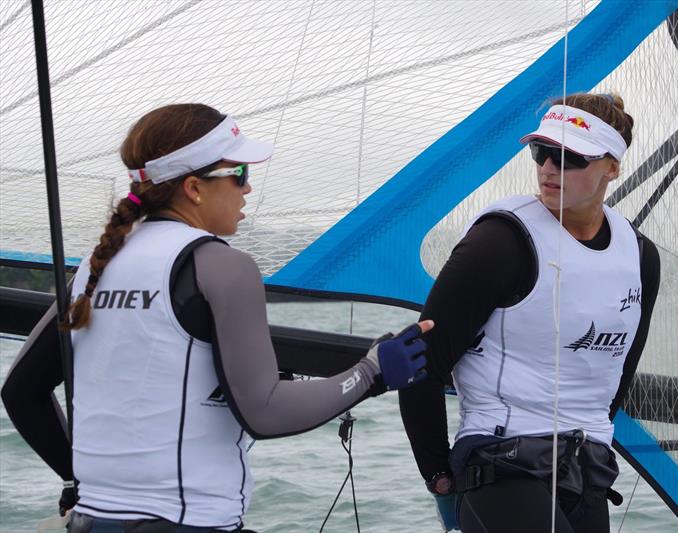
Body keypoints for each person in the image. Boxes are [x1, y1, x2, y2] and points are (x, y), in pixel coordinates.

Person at [1, 103, 431, 533]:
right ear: (194, 187)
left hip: (91, 521)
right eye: (239, 173)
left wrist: (81, 480)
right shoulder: (223, 266)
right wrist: (372, 372)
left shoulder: (93, 269)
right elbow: (264, 412)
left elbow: (22, 391)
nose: (248, 188)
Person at [398, 93, 661, 533]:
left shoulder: (639, 255)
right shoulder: (501, 242)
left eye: (570, 158)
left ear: (612, 166)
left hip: (586, 467)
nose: (548, 168)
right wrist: (438, 476)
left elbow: (620, 372)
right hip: (499, 459)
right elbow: (421, 358)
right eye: (542, 152)